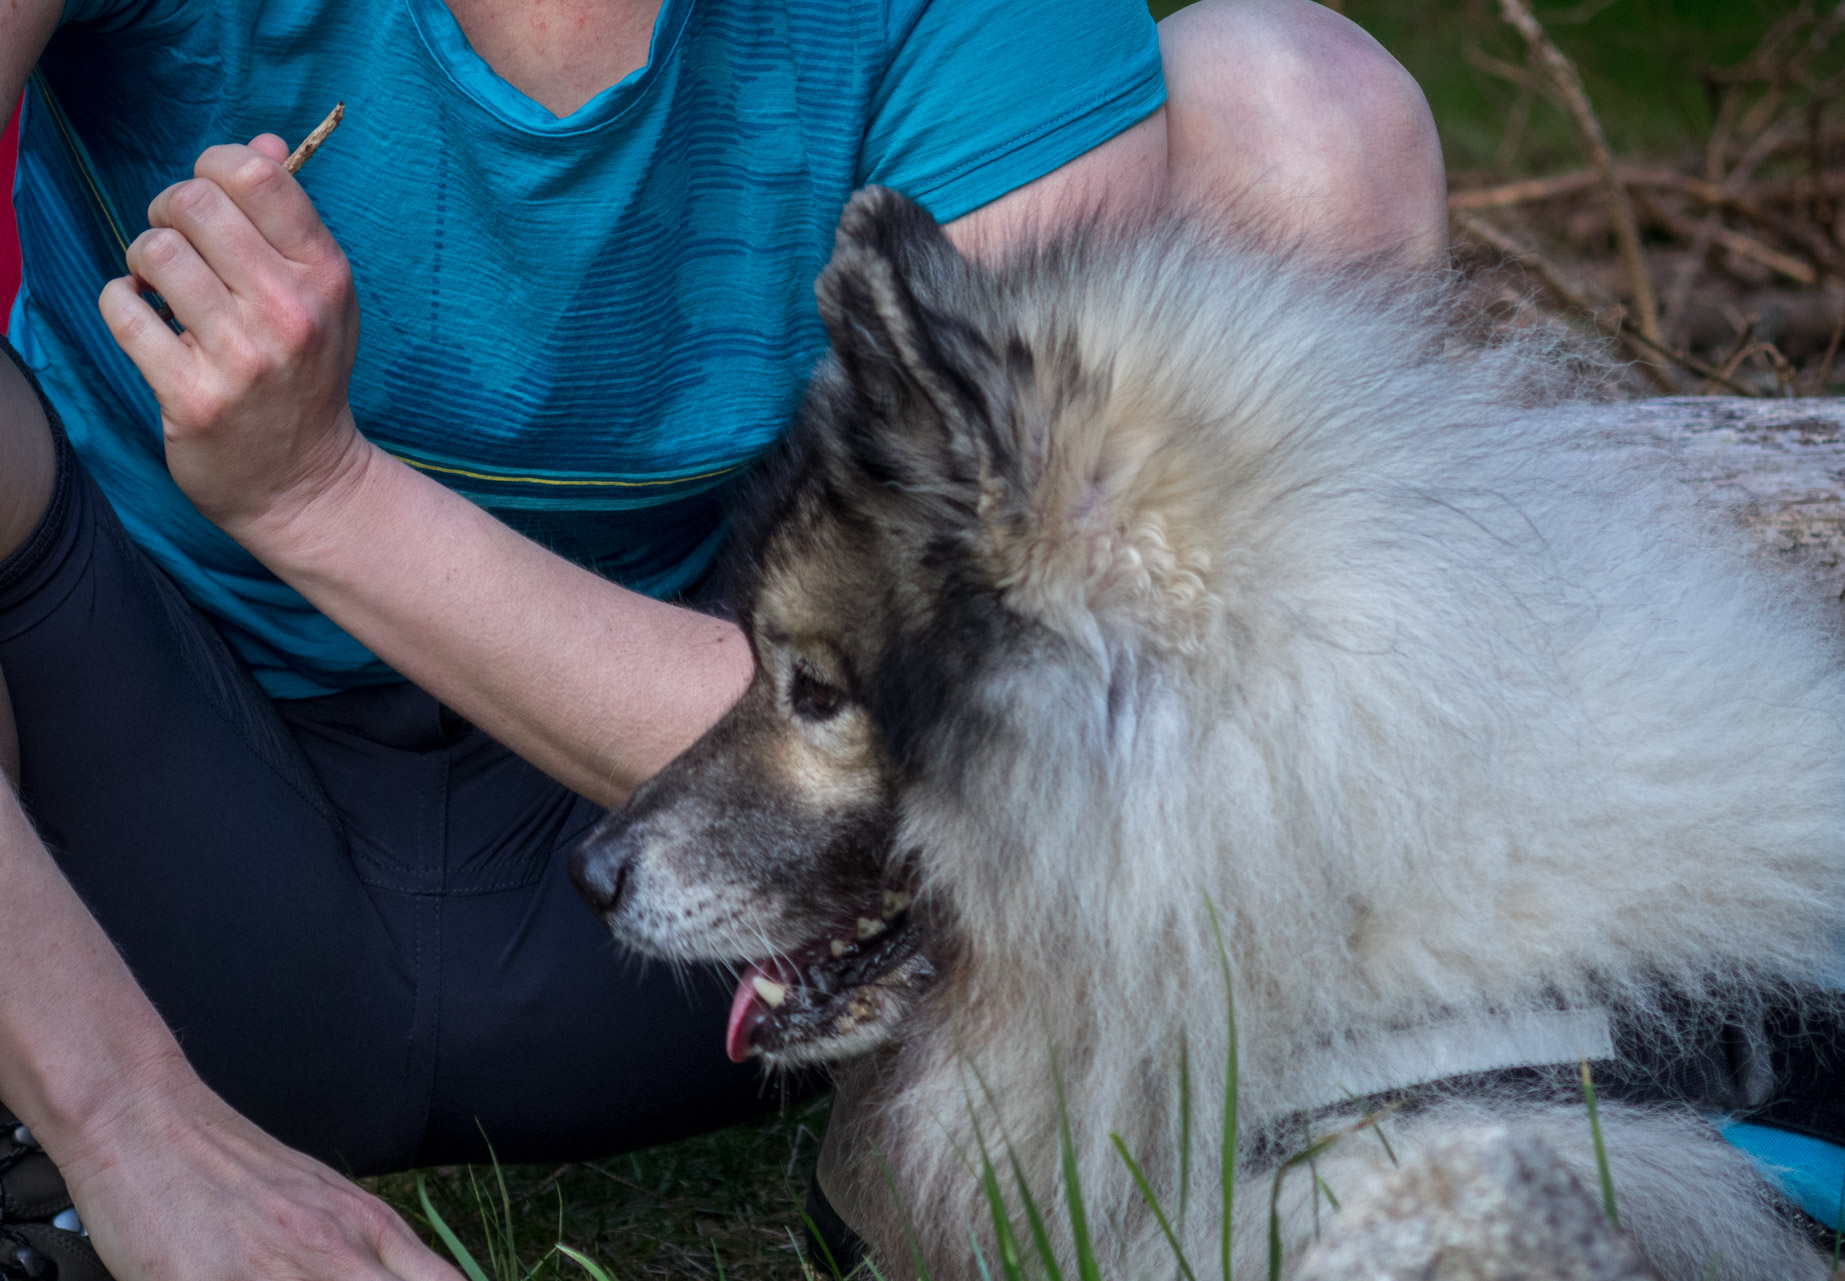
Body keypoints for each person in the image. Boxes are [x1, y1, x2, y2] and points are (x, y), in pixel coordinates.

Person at [0, 1, 1447, 1279]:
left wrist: (320, 494)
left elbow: (977, 703)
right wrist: (140, 1132)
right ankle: (51, 1114)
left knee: (1299, 116)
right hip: (107, 837)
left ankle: (1061, 1141)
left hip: (723, 873)